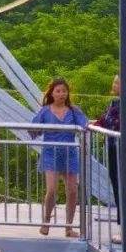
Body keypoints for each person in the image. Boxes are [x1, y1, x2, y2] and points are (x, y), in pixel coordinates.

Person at [32, 77, 89, 237]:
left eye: (64, 91)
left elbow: (85, 125)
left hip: (69, 153)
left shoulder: (73, 111)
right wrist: (35, 130)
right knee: (52, 189)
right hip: (51, 153)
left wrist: (89, 126)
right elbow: (34, 128)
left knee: (72, 190)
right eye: (58, 91)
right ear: (52, 93)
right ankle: (46, 221)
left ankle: (68, 227)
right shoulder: (45, 111)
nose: (62, 94)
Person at [94, 73, 122, 243]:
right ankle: (125, 226)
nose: (114, 85)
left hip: (124, 149)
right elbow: (104, 121)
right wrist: (92, 125)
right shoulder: (115, 103)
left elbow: (118, 124)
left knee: (122, 188)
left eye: (117, 82)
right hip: (114, 148)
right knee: (117, 186)